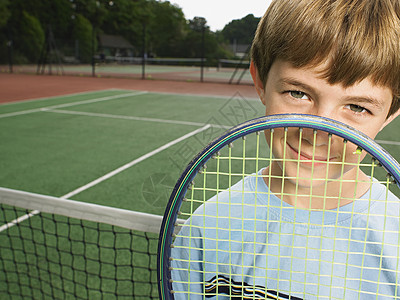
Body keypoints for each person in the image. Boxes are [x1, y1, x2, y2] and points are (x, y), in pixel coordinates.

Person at [170, 0, 400, 298]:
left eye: (357, 107)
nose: (319, 134)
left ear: (390, 114)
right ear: (260, 81)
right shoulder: (206, 228)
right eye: (298, 93)